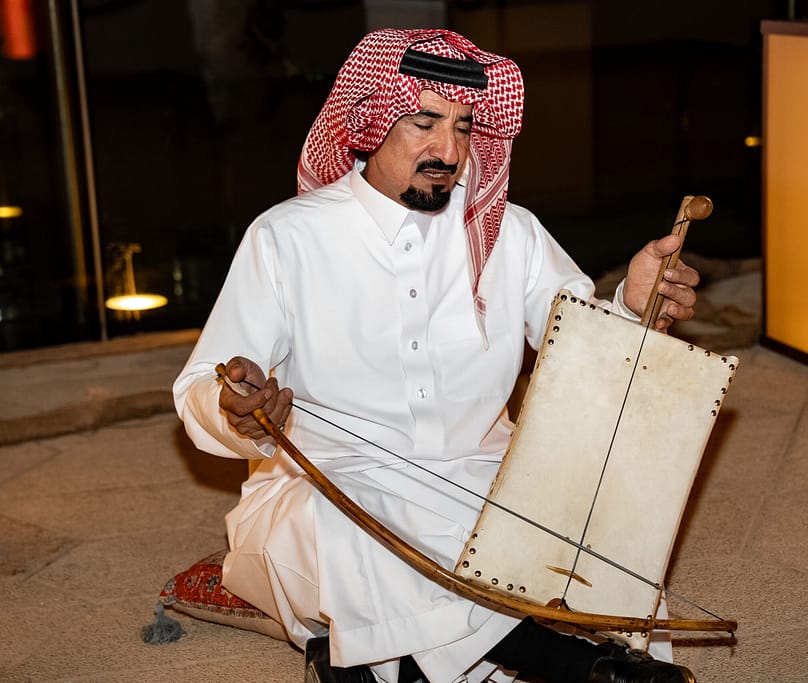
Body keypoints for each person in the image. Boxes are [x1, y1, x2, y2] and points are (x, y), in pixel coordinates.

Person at [173, 28, 701, 683]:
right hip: (326, 489)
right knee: (366, 538)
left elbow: (586, 356)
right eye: (424, 123)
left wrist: (630, 305)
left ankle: (375, 666)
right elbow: (202, 386)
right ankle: (587, 667)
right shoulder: (288, 238)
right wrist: (236, 408)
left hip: (482, 484)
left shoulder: (508, 233)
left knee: (600, 523)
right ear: (370, 122)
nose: (449, 151)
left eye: (463, 126)